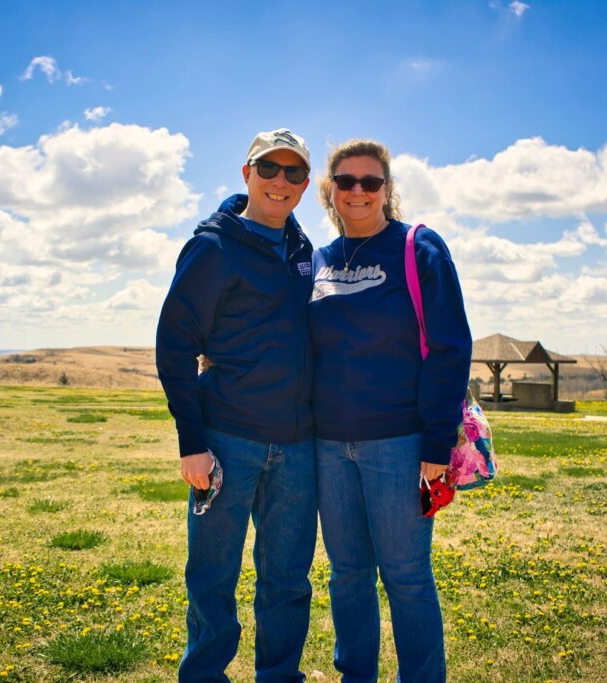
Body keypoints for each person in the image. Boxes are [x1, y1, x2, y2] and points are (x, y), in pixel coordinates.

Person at [156, 128, 317, 683]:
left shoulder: (303, 252)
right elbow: (175, 346)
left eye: (293, 172)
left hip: (298, 449)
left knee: (289, 580)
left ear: (304, 185)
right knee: (212, 577)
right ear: (245, 173)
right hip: (227, 440)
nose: (280, 181)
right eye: (268, 168)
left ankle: (279, 676)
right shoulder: (213, 248)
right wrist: (192, 445)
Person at [308, 139, 472, 683]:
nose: (358, 191)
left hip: (399, 446)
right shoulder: (319, 260)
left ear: (386, 189)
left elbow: (451, 348)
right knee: (348, 576)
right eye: (346, 181)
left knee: (406, 577)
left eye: (370, 182)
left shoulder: (418, 248)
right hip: (329, 447)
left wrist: (434, 446)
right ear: (331, 189)